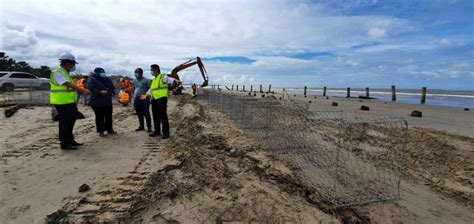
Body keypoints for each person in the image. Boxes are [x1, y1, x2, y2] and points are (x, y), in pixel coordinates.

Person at [50, 53, 90, 150]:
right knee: (65, 123)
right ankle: (64, 143)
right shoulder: (57, 73)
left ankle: (70, 140)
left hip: (69, 102)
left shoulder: (67, 74)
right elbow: (67, 84)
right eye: (72, 64)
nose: (73, 66)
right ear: (67, 63)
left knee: (71, 120)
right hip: (61, 102)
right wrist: (82, 90)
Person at [141, 64, 180, 139]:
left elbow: (170, 79)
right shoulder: (154, 79)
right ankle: (157, 131)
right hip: (154, 99)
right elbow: (151, 89)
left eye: (151, 70)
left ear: (156, 70)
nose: (151, 71)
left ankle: (166, 133)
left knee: (163, 116)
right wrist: (146, 95)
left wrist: (175, 80)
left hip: (162, 99)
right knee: (155, 116)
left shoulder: (163, 77)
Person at [87, 67, 116, 137]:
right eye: (101, 72)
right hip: (97, 102)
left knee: (109, 116)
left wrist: (108, 91)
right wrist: (99, 92)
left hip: (107, 101)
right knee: (99, 117)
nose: (103, 73)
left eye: (103, 71)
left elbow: (112, 87)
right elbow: (90, 89)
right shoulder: (92, 80)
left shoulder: (107, 79)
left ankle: (110, 130)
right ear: (96, 73)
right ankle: (101, 131)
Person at [132, 68, 152, 132]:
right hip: (136, 99)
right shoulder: (134, 81)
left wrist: (147, 96)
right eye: (135, 72)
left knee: (146, 113)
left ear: (141, 73)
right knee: (139, 114)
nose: (135, 74)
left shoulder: (147, 80)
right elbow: (134, 88)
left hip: (144, 99)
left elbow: (151, 89)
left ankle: (149, 127)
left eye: (137, 72)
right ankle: (141, 126)